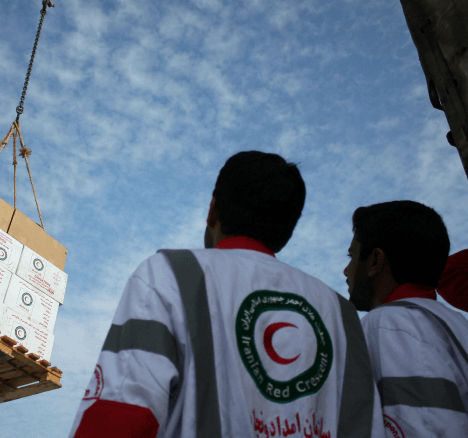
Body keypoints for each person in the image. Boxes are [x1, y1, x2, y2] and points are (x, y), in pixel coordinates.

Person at [69, 151, 384, 438]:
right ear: (287, 232)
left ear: (212, 210)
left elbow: (121, 414)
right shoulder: (341, 314)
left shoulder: (169, 274)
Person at [343, 200, 468, 437]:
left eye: (352, 256)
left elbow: (424, 428)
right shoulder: (457, 323)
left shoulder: (389, 323)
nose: (346, 270)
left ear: (375, 261)